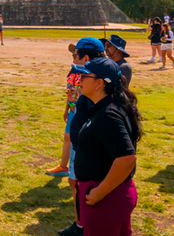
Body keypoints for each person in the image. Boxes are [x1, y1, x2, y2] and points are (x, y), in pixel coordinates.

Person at [71, 57, 142, 235]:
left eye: (84, 76)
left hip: (107, 198)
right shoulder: (104, 107)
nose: (79, 80)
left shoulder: (108, 114)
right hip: (108, 195)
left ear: (99, 83)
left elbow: (127, 158)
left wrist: (99, 193)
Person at [57, 37, 106, 236]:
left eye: (75, 56)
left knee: (79, 182)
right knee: (76, 182)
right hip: (84, 141)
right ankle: (81, 223)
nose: (73, 60)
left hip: (86, 145)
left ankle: (82, 225)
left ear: (86, 57)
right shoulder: (95, 79)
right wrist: (70, 104)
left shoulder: (95, 83)